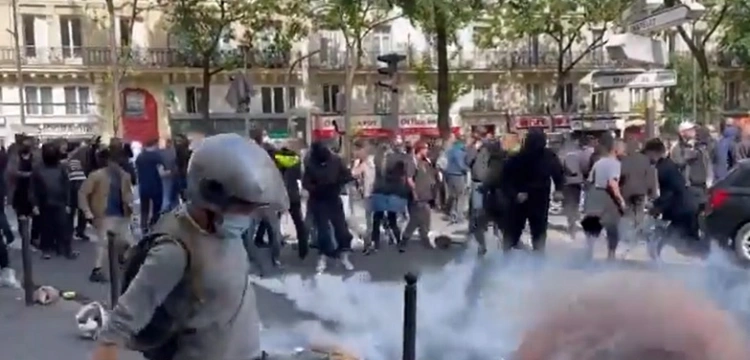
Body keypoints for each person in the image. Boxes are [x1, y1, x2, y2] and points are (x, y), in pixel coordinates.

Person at [91, 133, 288, 360]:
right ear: (212, 198)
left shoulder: (226, 232)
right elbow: (125, 318)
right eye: (243, 208)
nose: (249, 216)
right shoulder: (175, 249)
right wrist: (107, 349)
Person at [79, 146, 135, 283]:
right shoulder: (97, 176)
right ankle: (97, 270)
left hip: (122, 214)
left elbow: (128, 195)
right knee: (103, 243)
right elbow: (82, 193)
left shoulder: (124, 176)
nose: (117, 164)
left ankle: (123, 260)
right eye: (115, 161)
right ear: (109, 161)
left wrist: (131, 206)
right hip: (104, 214)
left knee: (127, 242)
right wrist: (87, 211)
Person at [502, 129, 564, 252]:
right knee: (515, 230)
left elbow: (558, 173)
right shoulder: (518, 158)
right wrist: (515, 194)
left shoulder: (548, 156)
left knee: (538, 231)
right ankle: (507, 257)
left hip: (539, 198)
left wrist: (559, 189)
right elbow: (505, 179)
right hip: (521, 199)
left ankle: (537, 258)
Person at [302, 141, 354, 272]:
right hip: (318, 199)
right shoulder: (311, 163)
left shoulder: (336, 160)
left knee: (341, 229)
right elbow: (306, 182)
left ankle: (344, 255)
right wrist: (317, 188)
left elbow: (347, 176)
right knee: (323, 230)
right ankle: (323, 256)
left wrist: (337, 184)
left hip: (333, 197)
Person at [644, 138, 702, 247]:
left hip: (681, 208)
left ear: (653, 152)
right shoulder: (667, 164)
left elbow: (671, 192)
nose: (647, 157)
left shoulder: (663, 168)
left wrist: (657, 205)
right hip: (685, 206)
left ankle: (712, 259)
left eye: (647, 154)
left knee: (676, 238)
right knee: (682, 239)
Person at [580, 133, 625, 260]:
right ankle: (611, 257)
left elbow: (589, 181)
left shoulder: (599, 162)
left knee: (592, 228)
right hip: (606, 197)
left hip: (593, 195)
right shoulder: (615, 164)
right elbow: (612, 183)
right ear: (615, 149)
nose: (624, 151)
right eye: (622, 148)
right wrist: (620, 200)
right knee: (612, 227)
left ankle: (588, 255)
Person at [368, 141, 411, 255]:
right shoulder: (396, 159)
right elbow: (402, 171)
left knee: (377, 219)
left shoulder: (377, 160)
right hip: (392, 191)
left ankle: (375, 242)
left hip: (380, 191)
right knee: (391, 218)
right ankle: (398, 242)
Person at [32, 142, 72, 259]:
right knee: (46, 227)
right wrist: (35, 204)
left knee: (62, 226)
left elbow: (66, 185)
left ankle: (63, 248)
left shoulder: (61, 167)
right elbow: (33, 188)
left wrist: (68, 202)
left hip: (59, 201)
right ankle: (47, 249)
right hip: (45, 201)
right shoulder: (38, 168)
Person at [273, 142, 308, 259]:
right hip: (293, 195)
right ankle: (303, 250)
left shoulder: (275, 159)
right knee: (298, 223)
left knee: (274, 224)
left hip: (278, 194)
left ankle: (275, 253)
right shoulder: (295, 160)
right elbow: (299, 176)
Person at [401, 141, 436, 251]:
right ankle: (405, 240)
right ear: (419, 150)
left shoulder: (424, 161)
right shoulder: (413, 162)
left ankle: (423, 240)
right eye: (425, 149)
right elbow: (409, 179)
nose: (427, 151)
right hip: (417, 196)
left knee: (424, 219)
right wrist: (415, 193)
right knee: (416, 220)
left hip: (426, 195)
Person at [670, 121, 709, 208]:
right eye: (690, 130)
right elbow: (679, 162)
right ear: (682, 133)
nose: (694, 131)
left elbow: (706, 161)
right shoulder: (677, 147)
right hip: (688, 185)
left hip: (702, 184)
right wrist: (690, 152)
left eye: (694, 129)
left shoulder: (698, 145)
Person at [619, 138, 656, 229]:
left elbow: (622, 173)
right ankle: (639, 231)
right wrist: (651, 191)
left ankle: (629, 233)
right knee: (640, 212)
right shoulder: (645, 159)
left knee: (628, 213)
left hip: (627, 190)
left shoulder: (624, 159)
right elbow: (650, 176)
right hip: (641, 190)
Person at [559, 137, 592, 237]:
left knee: (569, 204)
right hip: (577, 182)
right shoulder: (579, 154)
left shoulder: (562, 155)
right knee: (575, 203)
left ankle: (571, 224)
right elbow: (584, 167)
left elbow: (560, 169)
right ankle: (574, 222)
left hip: (566, 182)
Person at [135, 138, 168, 232]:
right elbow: (161, 172)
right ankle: (154, 225)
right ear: (155, 144)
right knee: (157, 207)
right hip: (155, 186)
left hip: (143, 186)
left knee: (144, 207)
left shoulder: (140, 157)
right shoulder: (157, 156)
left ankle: (143, 226)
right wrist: (170, 172)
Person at [442, 136, 469, 223]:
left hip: (449, 175)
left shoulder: (450, 151)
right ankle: (459, 216)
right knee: (460, 196)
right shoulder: (460, 152)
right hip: (458, 175)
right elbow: (461, 165)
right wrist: (468, 169)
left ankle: (452, 214)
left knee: (453, 195)